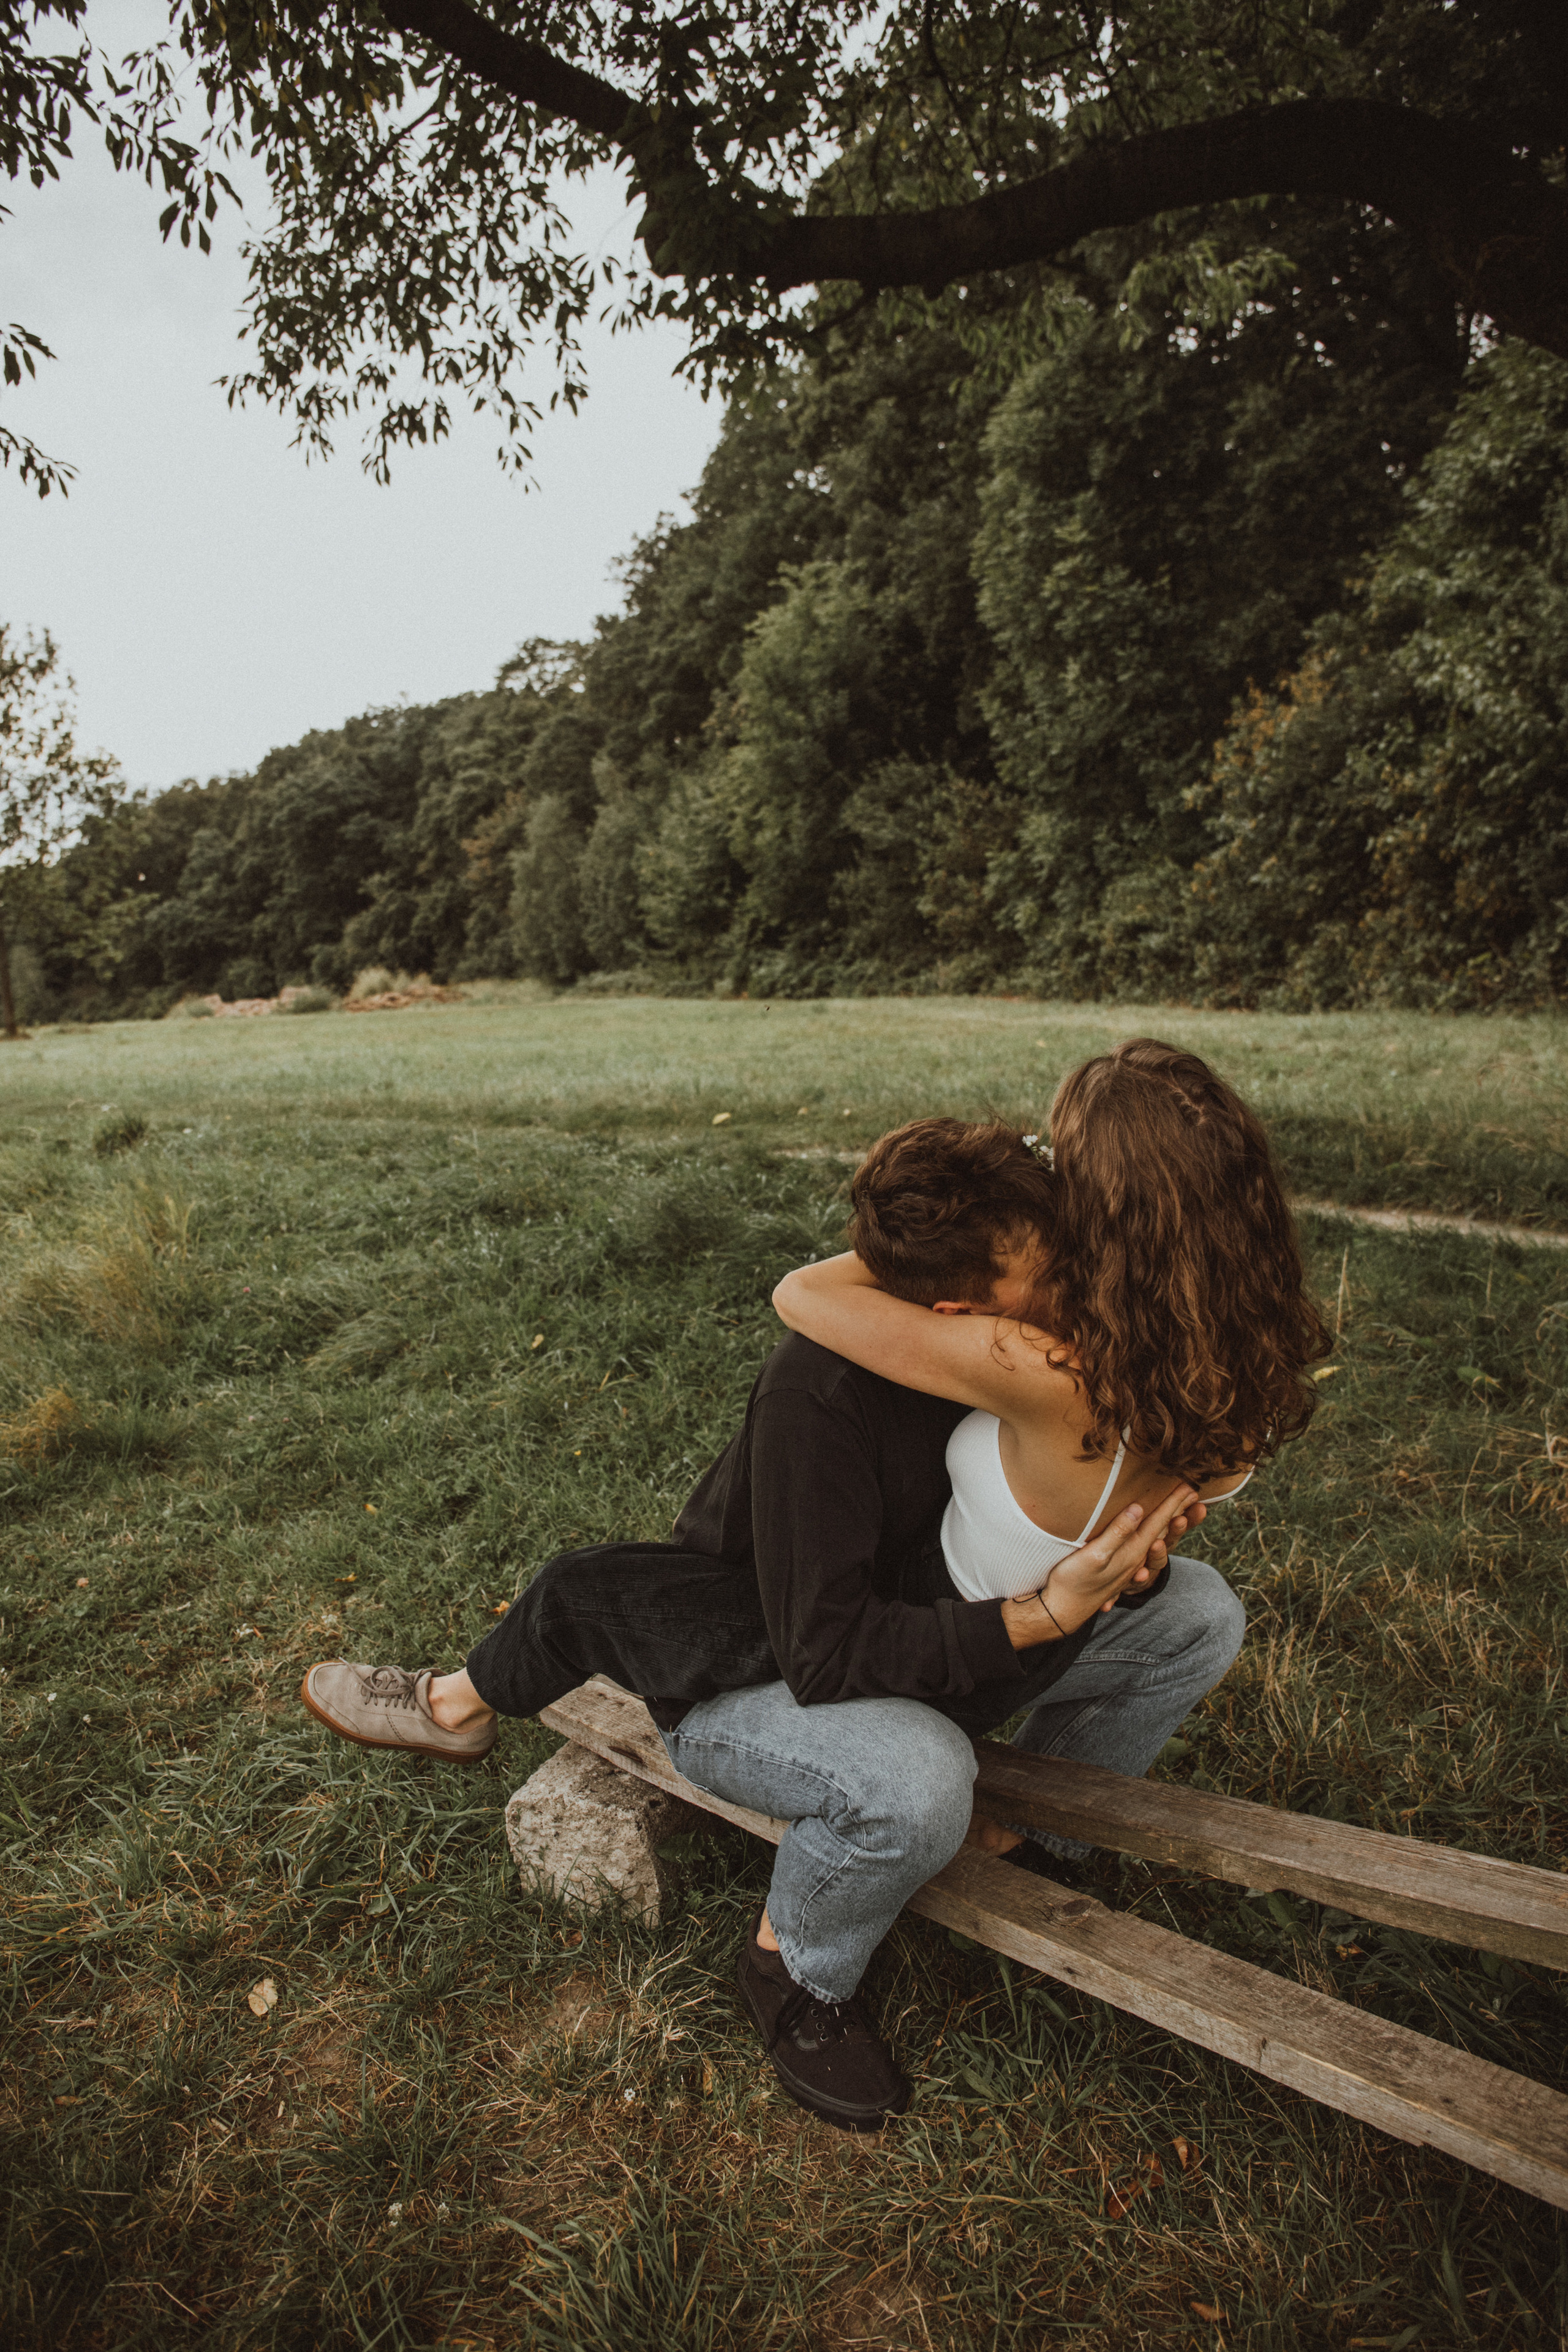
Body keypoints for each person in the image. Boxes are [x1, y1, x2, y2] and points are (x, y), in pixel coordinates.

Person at [302, 1041, 1328, 2133]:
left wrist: (1112, 1557)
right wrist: (1040, 1615)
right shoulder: (830, 1386)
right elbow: (824, 1654)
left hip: (940, 1631)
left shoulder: (1072, 1350)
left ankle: (1032, 1844)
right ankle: (797, 1969)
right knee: (918, 1777)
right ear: (958, 1313)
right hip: (768, 1673)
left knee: (1199, 1614)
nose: (1081, 1264)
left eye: (1088, 1226)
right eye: (1058, 1251)